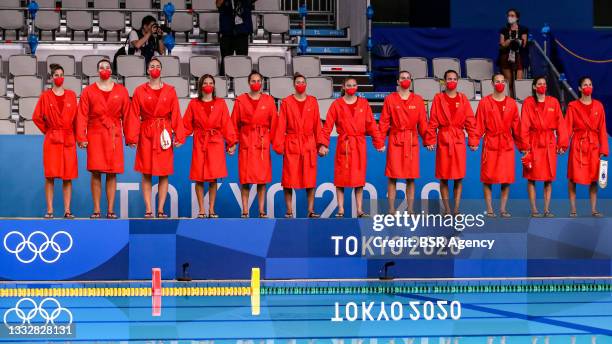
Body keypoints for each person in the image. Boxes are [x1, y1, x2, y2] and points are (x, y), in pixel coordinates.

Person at [125, 57, 186, 218]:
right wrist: (131, 137)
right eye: (152, 66)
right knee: (146, 172)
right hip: (146, 133)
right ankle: (148, 209)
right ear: (147, 70)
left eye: (157, 66)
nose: (154, 68)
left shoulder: (170, 91)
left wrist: (179, 135)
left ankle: (160, 209)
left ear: (161, 70)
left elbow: (176, 114)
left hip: (164, 133)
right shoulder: (139, 91)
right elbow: (133, 115)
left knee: (163, 172)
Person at [318, 77, 385, 218]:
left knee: (359, 179)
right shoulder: (336, 104)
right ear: (343, 86)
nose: (352, 87)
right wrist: (323, 144)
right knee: (340, 179)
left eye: (354, 85)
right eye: (349, 85)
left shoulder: (364, 103)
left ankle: (359, 209)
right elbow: (328, 126)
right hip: (344, 144)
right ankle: (341, 209)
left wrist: (378, 143)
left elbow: (372, 125)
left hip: (359, 144)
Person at [77, 58, 131, 219]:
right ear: (97, 71)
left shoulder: (121, 91)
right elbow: (82, 115)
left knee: (112, 173)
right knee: (95, 172)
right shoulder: (88, 91)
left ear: (111, 70)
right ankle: (96, 209)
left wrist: (130, 137)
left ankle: (110, 210)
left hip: (114, 135)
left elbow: (128, 115)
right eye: (102, 67)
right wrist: (81, 136)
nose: (104, 69)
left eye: (107, 67)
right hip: (95, 134)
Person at [183, 74, 238, 218]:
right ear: (201, 86)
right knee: (199, 177)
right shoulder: (193, 104)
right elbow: (186, 125)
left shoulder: (220, 103)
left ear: (214, 86)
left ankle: (211, 209)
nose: (208, 85)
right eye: (205, 82)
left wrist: (231, 142)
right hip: (200, 142)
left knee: (213, 178)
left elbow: (226, 123)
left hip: (215, 143)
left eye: (211, 83)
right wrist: (178, 137)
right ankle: (201, 209)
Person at [469, 73, 522, 218]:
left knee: (506, 178)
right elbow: (478, 124)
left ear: (505, 83)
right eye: (497, 81)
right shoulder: (485, 102)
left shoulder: (511, 103)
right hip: (491, 143)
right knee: (488, 177)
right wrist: (474, 141)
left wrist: (523, 145)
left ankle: (503, 209)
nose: (500, 84)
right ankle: (490, 208)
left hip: (506, 143)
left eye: (502, 81)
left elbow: (517, 126)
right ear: (492, 84)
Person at [424, 70, 476, 215]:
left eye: (454, 78)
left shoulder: (463, 98)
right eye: (449, 78)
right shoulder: (438, 98)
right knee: (444, 176)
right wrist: (430, 140)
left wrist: (472, 140)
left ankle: (456, 209)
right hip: (444, 140)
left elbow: (470, 120)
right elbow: (433, 121)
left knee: (459, 177)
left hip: (458, 140)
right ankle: (447, 209)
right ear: (444, 81)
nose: (451, 81)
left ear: (457, 81)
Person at [272, 73, 324, 218]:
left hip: (308, 144)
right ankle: (289, 211)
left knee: (310, 179)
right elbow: (281, 124)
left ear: (306, 84)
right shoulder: (287, 102)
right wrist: (279, 145)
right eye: (298, 82)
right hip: (292, 144)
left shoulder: (313, 102)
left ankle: (311, 210)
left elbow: (317, 126)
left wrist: (321, 144)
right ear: (294, 85)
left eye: (303, 82)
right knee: (288, 179)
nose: (300, 84)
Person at [32, 64, 79, 219]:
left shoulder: (72, 95)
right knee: (50, 176)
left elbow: (77, 119)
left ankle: (67, 210)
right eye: (56, 75)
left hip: (68, 139)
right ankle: (50, 210)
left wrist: (79, 138)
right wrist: (49, 131)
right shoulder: (45, 96)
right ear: (51, 78)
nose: (59, 78)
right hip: (52, 140)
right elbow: (36, 117)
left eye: (61, 74)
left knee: (68, 176)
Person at [378, 70, 428, 215]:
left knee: (410, 177)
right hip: (395, 141)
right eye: (402, 78)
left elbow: (423, 123)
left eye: (407, 78)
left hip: (411, 141)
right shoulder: (390, 99)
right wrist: (380, 141)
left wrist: (428, 140)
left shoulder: (418, 100)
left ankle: (411, 209)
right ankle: (391, 209)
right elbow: (383, 122)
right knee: (392, 176)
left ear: (410, 81)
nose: (405, 80)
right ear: (398, 82)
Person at [518, 76, 568, 217]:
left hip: (549, 143)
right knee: (531, 177)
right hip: (533, 142)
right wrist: (525, 147)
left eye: (544, 84)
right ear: (534, 87)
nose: (542, 86)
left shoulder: (554, 102)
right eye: (539, 84)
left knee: (548, 178)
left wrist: (562, 143)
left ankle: (546, 209)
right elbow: (524, 126)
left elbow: (561, 124)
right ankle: (534, 209)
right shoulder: (528, 102)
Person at [231, 70, 277, 218]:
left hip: (262, 143)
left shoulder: (269, 100)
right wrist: (232, 142)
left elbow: (275, 124)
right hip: (246, 141)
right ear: (248, 83)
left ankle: (261, 210)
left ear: (262, 83)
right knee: (245, 179)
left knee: (261, 179)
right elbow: (233, 123)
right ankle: (245, 210)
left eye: (258, 81)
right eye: (253, 81)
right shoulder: (240, 100)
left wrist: (277, 143)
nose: (256, 84)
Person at [566, 77, 608, 217]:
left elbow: (602, 129)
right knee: (573, 177)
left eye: (590, 84)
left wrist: (604, 149)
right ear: (579, 88)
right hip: (578, 144)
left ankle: (594, 209)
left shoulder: (599, 106)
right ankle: (573, 209)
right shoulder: (573, 106)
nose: (588, 87)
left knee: (594, 178)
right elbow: (567, 128)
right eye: (585, 85)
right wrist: (562, 145)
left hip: (594, 146)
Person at [216, 0, 257, 74]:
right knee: (225, 61)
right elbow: (218, 4)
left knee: (242, 60)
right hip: (227, 32)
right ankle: (223, 82)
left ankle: (242, 81)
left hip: (242, 32)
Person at [498, 8, 528, 97]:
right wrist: (507, 43)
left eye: (512, 16)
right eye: (508, 16)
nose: (510, 17)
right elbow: (502, 44)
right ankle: (510, 100)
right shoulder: (504, 29)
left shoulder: (523, 29)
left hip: (519, 57)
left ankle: (518, 100)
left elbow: (524, 43)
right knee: (509, 83)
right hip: (506, 57)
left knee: (518, 82)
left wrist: (517, 42)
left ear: (517, 18)